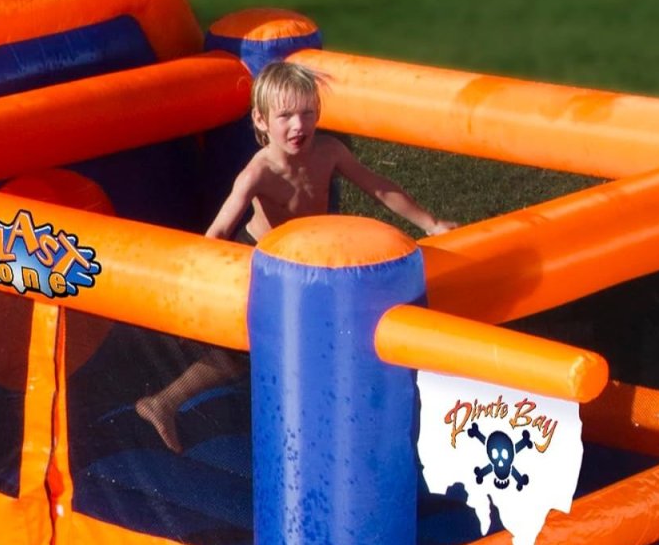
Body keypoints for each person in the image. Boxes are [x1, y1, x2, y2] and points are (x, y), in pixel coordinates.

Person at [136, 60, 458, 453]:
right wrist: (196, 289)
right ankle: (169, 404)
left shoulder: (329, 152)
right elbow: (218, 231)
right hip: (259, 260)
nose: (297, 126)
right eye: (285, 115)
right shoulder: (259, 171)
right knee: (243, 356)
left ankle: (164, 403)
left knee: (293, 346)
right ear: (261, 119)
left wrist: (432, 223)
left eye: (307, 113)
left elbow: (378, 187)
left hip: (307, 263)